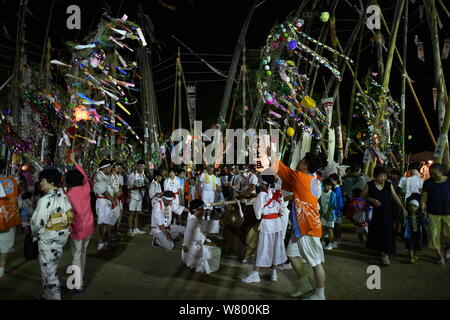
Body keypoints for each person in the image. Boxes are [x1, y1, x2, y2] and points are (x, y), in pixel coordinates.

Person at [272, 152, 326, 300]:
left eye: (301, 160)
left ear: (305, 165)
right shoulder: (313, 179)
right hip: (303, 226)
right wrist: (285, 197)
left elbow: (280, 168)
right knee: (291, 253)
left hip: (308, 227)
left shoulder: (300, 177)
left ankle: (320, 294)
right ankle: (304, 284)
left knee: (315, 263)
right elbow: (302, 195)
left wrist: (267, 150)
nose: (299, 162)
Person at [31, 169, 73, 300]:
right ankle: (47, 293)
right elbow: (69, 217)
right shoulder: (64, 197)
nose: (40, 183)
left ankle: (54, 297)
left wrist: (33, 232)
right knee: (51, 266)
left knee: (49, 270)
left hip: (48, 239)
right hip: (60, 237)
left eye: (42, 180)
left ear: (51, 182)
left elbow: (38, 222)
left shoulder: (45, 200)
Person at [241, 174, 287, 283]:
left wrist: (258, 217)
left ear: (263, 183)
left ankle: (256, 274)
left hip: (267, 224)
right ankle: (274, 273)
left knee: (263, 248)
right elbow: (283, 209)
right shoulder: (278, 193)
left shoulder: (262, 194)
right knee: (276, 247)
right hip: (277, 223)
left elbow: (258, 212)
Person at [361, 166, 407, 266]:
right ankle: (380, 251)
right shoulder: (370, 185)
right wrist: (372, 199)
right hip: (375, 214)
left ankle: (385, 254)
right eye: (381, 176)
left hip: (387, 214)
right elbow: (362, 197)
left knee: (387, 232)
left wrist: (403, 208)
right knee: (377, 232)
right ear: (375, 176)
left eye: (385, 176)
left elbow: (395, 196)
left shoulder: (388, 185)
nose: (384, 178)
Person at [65, 152, 94, 292]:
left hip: (77, 230)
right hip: (88, 227)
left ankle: (77, 284)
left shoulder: (68, 195)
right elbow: (85, 177)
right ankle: (80, 278)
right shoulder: (86, 189)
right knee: (83, 253)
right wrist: (75, 162)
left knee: (76, 256)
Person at [420, 164, 450, 265]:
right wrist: (423, 209)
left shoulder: (448, 180)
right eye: (431, 174)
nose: (432, 176)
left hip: (448, 213)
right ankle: (440, 256)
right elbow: (424, 198)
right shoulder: (428, 183)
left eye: (435, 174)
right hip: (433, 213)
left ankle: (446, 250)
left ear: (441, 172)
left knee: (448, 234)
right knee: (434, 236)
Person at [182, 199, 221, 273]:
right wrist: (206, 243)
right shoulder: (193, 221)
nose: (203, 211)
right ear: (197, 210)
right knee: (217, 250)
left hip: (191, 250)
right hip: (193, 251)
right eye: (202, 209)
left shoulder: (194, 219)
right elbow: (192, 237)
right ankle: (202, 266)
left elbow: (204, 227)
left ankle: (197, 265)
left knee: (210, 245)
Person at [0, 159, 21, 278]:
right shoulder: (12, 181)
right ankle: (1, 271)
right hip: (8, 219)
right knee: (4, 246)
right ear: (3, 169)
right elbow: (18, 200)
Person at [94, 160, 117, 249]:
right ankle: (100, 242)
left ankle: (104, 240)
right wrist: (113, 200)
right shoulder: (99, 176)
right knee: (101, 222)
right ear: (105, 167)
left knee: (107, 222)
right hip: (102, 202)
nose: (111, 169)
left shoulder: (106, 176)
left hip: (107, 201)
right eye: (110, 167)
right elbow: (104, 191)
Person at [127, 160, 149, 236]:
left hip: (140, 196)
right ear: (136, 166)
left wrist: (145, 186)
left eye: (142, 167)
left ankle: (135, 228)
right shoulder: (132, 175)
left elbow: (146, 183)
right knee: (131, 213)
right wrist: (129, 196)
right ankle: (130, 230)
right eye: (139, 166)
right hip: (133, 196)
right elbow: (129, 187)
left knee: (137, 213)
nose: (141, 168)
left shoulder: (143, 175)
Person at [403, 199, 427, 264]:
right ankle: (411, 258)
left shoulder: (419, 216)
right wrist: (404, 216)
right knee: (410, 247)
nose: (412, 208)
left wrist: (424, 216)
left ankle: (414, 255)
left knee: (416, 246)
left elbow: (424, 222)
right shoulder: (407, 216)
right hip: (409, 234)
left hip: (418, 234)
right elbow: (404, 223)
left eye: (414, 206)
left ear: (417, 208)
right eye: (410, 206)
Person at [319, 178, 336, 251]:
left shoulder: (332, 194)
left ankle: (330, 244)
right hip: (323, 214)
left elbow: (333, 206)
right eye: (327, 185)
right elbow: (319, 203)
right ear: (323, 185)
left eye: (330, 185)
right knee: (322, 229)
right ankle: (322, 243)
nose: (328, 187)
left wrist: (327, 214)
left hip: (330, 215)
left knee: (330, 230)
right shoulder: (321, 193)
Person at [110, 162, 124, 237]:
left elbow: (119, 186)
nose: (119, 168)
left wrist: (120, 191)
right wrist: (115, 194)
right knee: (113, 217)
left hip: (117, 198)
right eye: (117, 167)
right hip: (112, 199)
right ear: (113, 168)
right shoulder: (110, 176)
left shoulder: (117, 176)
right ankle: (111, 235)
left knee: (117, 216)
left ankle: (114, 233)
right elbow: (109, 188)